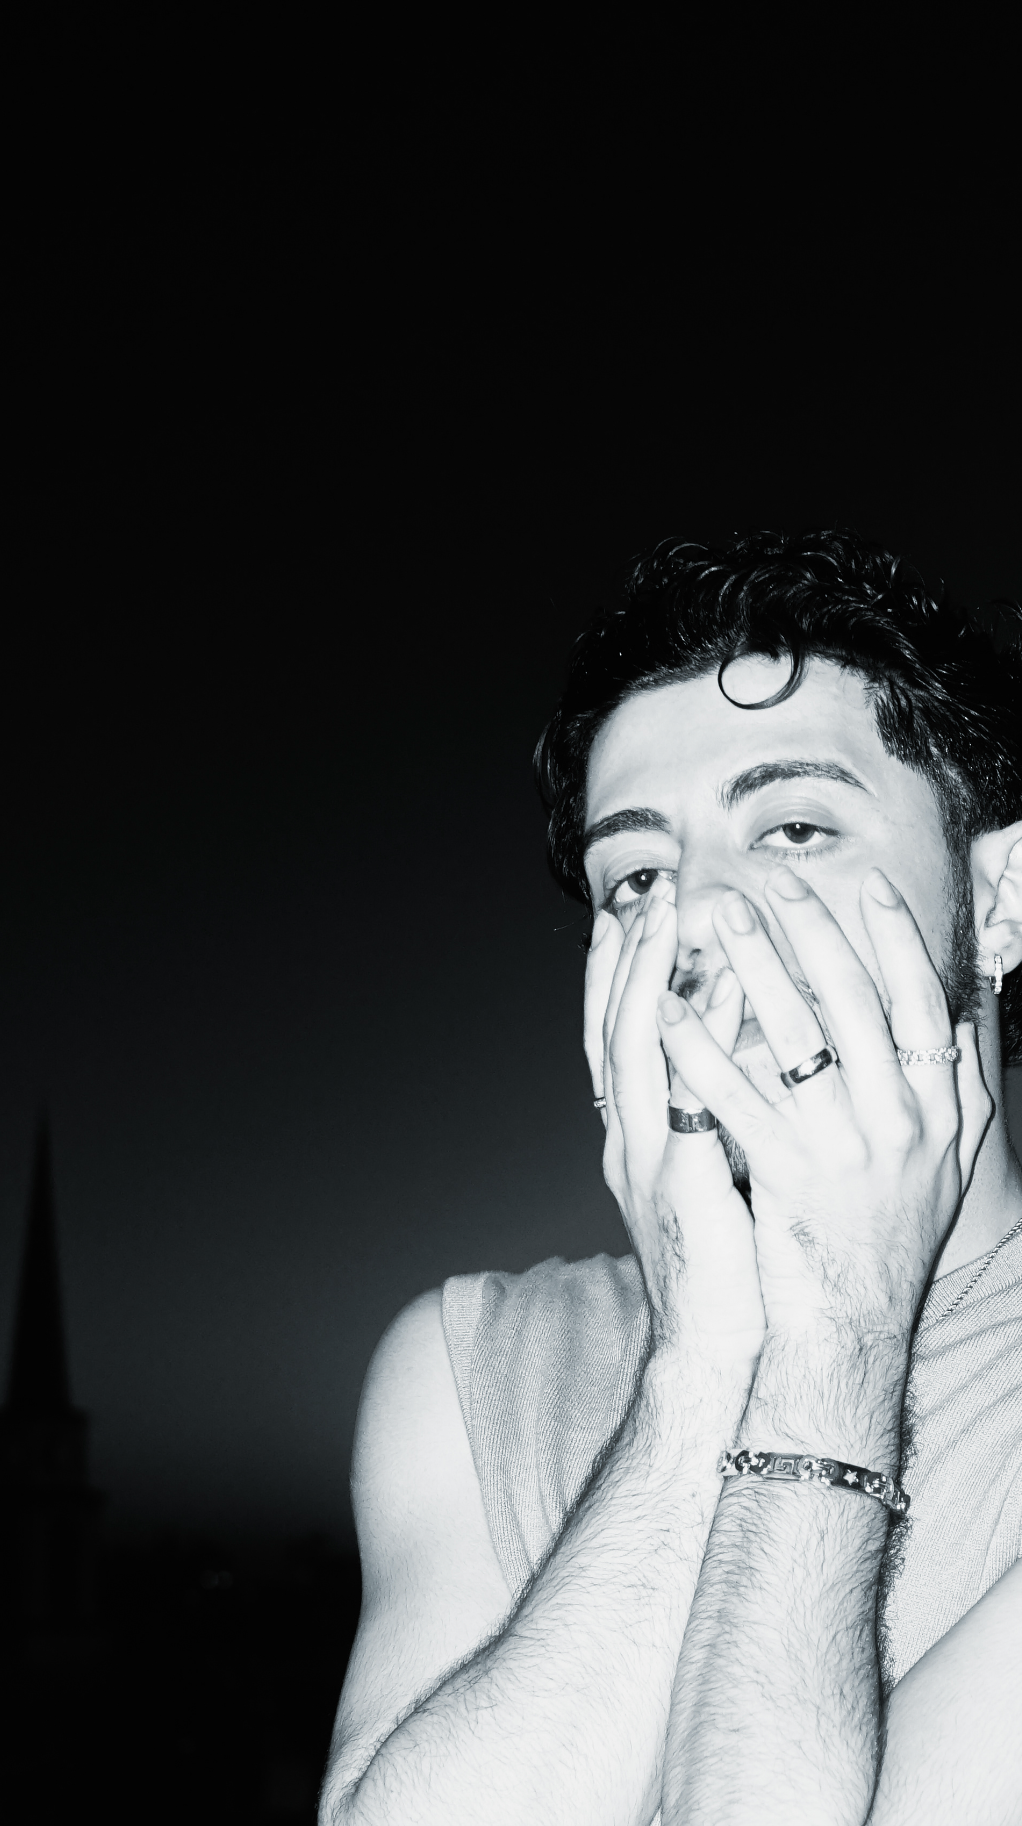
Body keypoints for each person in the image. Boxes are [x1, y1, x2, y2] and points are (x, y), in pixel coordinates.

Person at [319, 530, 1022, 1825]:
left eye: (794, 827)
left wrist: (839, 1334)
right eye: (636, 874)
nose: (696, 914)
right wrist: (702, 1358)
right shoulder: (472, 1357)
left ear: (1000, 899)